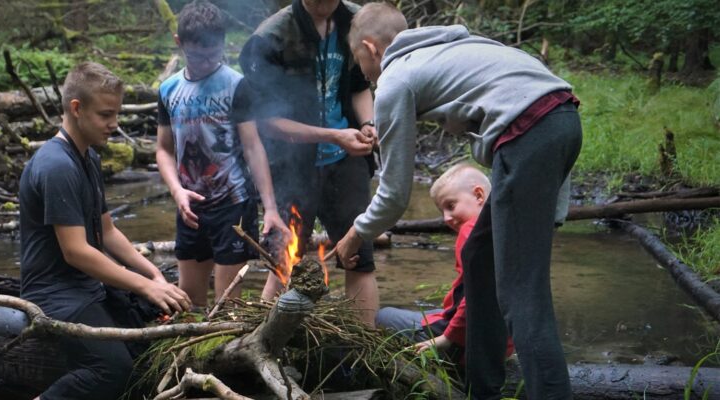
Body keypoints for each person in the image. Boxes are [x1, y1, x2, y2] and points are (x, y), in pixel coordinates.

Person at [335, 3, 581, 399]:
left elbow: (395, 195)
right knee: (480, 257)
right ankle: (482, 390)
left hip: (528, 135)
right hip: (559, 123)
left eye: (360, 63)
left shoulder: (397, 77)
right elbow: (556, 101)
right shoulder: (452, 48)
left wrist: (354, 235)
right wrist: (553, 210)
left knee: (523, 297)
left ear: (371, 47)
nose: (362, 74)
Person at [19, 61, 192, 400]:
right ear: (76, 108)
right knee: (112, 370)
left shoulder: (88, 157)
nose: (114, 125)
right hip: (55, 295)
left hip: (87, 287)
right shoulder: (56, 165)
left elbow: (107, 231)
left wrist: (154, 277)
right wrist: (141, 284)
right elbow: (77, 251)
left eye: (117, 114)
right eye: (105, 115)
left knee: (151, 351)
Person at [238, 0, 379, 325]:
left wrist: (368, 124)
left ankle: (367, 350)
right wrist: (333, 135)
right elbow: (269, 123)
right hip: (293, 163)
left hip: (346, 161)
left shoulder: (357, 23)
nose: (323, 3)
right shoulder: (271, 37)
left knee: (359, 256)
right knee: (286, 258)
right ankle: (262, 337)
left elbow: (359, 87)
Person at [156, 1, 290, 310]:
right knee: (187, 303)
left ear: (223, 44)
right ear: (179, 44)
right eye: (196, 56)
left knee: (227, 304)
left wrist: (269, 207)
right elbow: (163, 150)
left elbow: (253, 146)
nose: (205, 63)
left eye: (213, 54)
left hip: (233, 205)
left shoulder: (235, 85)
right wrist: (177, 191)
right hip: (190, 205)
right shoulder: (168, 90)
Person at [375, 163, 513, 363]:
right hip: (504, 340)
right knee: (431, 313)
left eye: (451, 206)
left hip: (469, 342)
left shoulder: (471, 231)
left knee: (383, 316)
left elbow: (476, 295)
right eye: (442, 211)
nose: (446, 218)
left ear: (479, 196)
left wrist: (447, 338)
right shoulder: (504, 225)